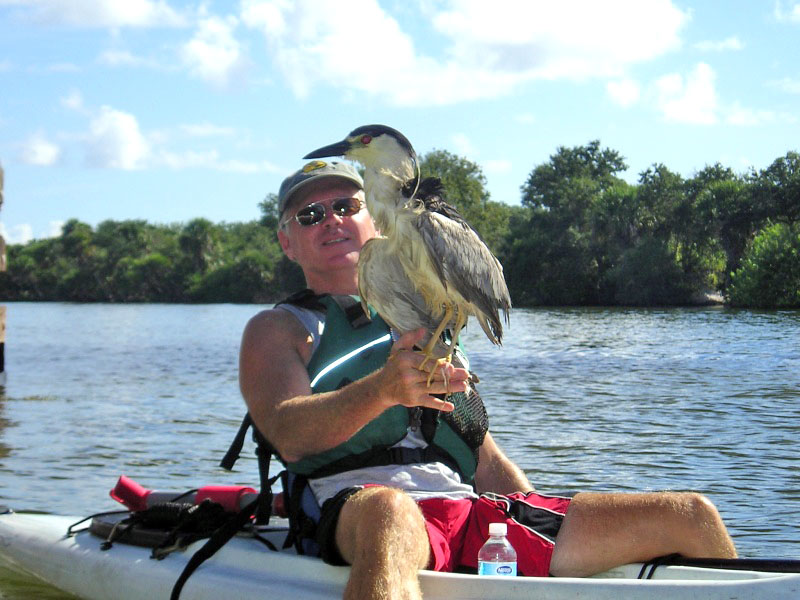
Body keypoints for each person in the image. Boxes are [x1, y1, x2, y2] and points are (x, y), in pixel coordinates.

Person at [239, 160, 737, 600]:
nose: (332, 221)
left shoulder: (429, 316)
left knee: (690, 515)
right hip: (361, 512)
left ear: (374, 219)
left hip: (468, 512)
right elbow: (288, 431)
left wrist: (529, 526)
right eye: (310, 215)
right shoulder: (278, 329)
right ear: (287, 241)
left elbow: (487, 460)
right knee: (390, 513)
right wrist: (383, 389)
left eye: (346, 205)